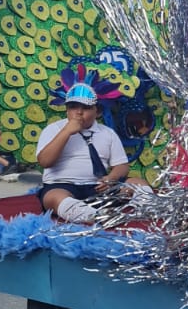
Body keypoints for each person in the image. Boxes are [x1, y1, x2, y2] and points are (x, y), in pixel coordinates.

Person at [35, 83, 129, 224]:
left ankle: (149, 209)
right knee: (53, 197)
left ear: (97, 112)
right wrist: (66, 132)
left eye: (85, 108)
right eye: (73, 107)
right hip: (61, 185)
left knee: (136, 183)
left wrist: (111, 178)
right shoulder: (53, 129)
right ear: (67, 110)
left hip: (97, 187)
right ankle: (92, 216)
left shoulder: (107, 133)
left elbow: (122, 165)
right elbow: (44, 162)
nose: (78, 112)